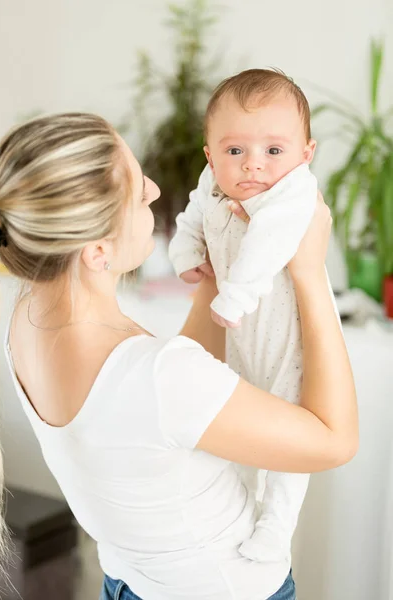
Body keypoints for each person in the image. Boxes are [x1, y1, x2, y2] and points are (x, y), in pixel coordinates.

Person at [0, 113, 357, 600]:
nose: (154, 190)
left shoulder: (23, 325)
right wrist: (310, 271)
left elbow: (174, 412)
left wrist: (215, 269)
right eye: (137, 192)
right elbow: (334, 442)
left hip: (129, 584)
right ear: (98, 249)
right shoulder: (157, 375)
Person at [168, 68, 338, 563]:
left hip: (294, 340)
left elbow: (267, 247)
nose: (253, 167)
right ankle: (240, 504)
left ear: (306, 154)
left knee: (292, 442)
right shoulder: (213, 184)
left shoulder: (293, 194)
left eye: (274, 151)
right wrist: (186, 255)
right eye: (235, 151)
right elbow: (193, 216)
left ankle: (277, 524)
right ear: (210, 154)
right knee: (240, 425)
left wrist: (233, 297)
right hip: (243, 339)